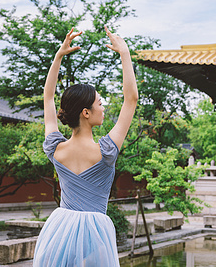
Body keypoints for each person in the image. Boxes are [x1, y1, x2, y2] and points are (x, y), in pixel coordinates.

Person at [33, 25, 138, 267]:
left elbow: (48, 97)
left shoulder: (55, 149)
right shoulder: (106, 152)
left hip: (59, 229)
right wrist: (125, 54)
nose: (104, 107)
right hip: (94, 231)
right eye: (100, 103)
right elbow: (130, 100)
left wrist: (58, 56)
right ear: (86, 113)